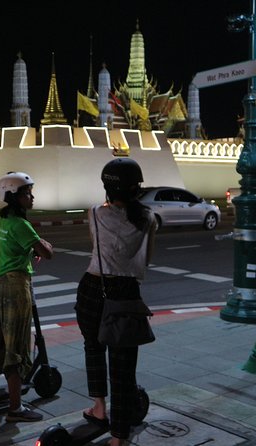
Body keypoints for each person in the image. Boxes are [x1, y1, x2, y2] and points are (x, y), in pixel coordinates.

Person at [75, 158, 156, 446]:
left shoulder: (95, 212)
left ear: (107, 187)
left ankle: (99, 407)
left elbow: (95, 246)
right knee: (123, 367)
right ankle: (119, 436)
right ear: (137, 189)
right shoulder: (147, 218)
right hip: (125, 293)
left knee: (92, 347)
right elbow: (146, 259)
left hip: (92, 287)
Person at [0, 171, 54, 422]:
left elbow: (20, 245)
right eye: (26, 193)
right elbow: (46, 253)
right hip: (15, 288)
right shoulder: (21, 224)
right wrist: (45, 245)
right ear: (13, 197)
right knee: (17, 348)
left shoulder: (4, 219)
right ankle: (15, 408)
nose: (31, 197)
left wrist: (30, 248)